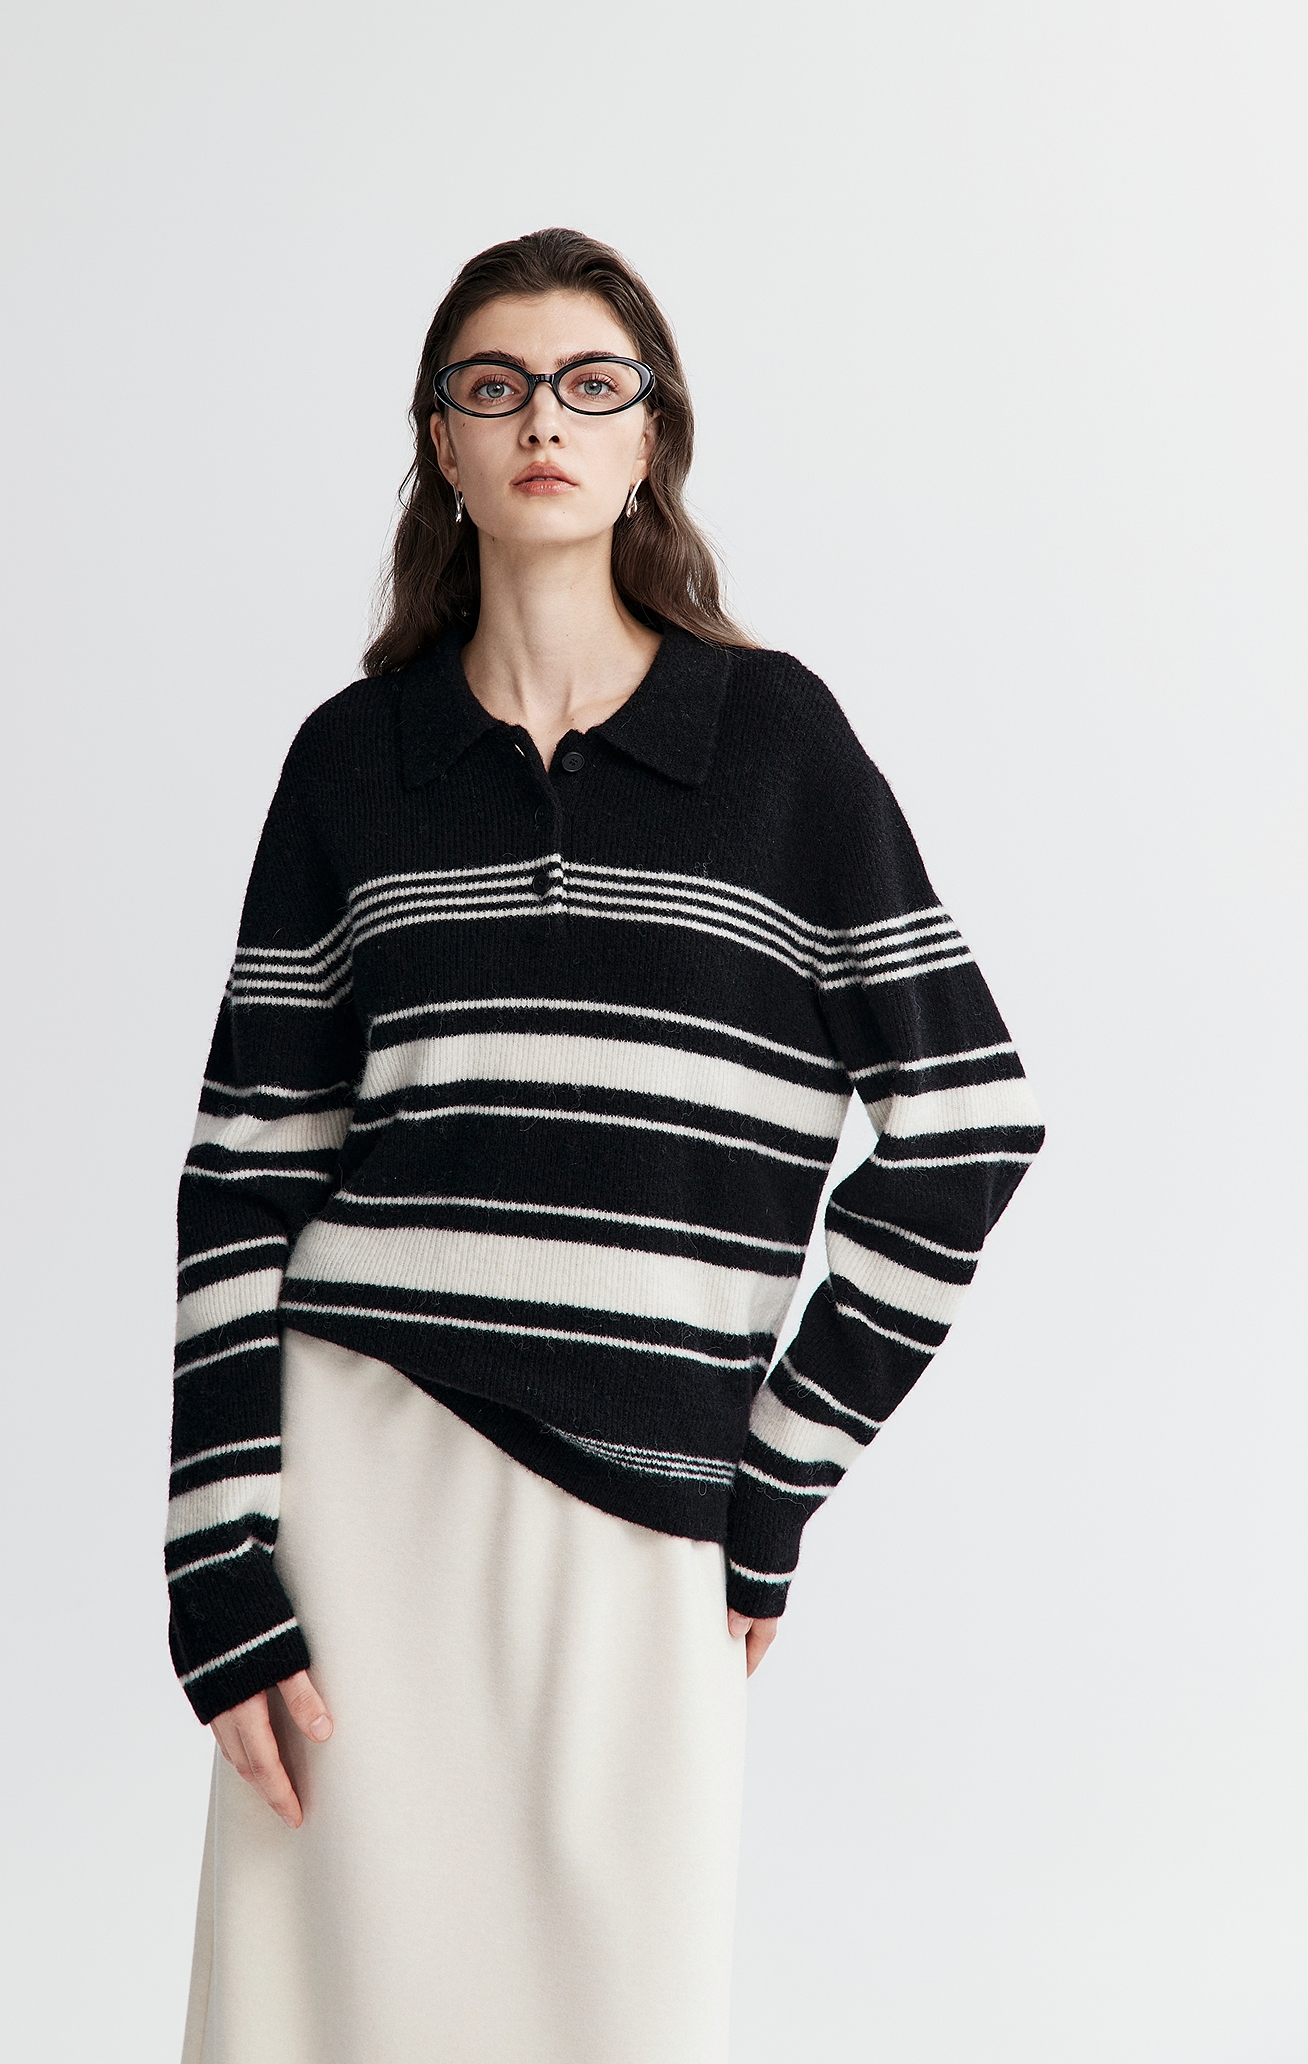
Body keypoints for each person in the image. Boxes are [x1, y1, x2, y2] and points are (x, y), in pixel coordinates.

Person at [166, 227, 1044, 2064]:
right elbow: (245, 1172)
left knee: (615, 2015)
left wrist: (776, 1478)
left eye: (589, 384)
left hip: (654, 1501)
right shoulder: (354, 760)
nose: (543, 421)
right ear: (443, 442)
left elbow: (967, 1120)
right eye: (493, 388)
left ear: (653, 437)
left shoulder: (774, 744)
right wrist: (218, 1562)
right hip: (361, 1473)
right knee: (324, 2015)